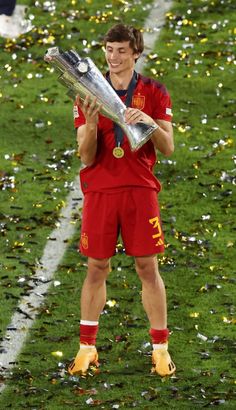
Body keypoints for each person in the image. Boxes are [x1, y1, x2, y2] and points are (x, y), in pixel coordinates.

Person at [68, 23, 176, 377]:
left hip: (140, 190)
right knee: (96, 268)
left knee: (148, 268)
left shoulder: (155, 92)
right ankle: (87, 347)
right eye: (109, 50)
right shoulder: (88, 91)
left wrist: (147, 120)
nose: (113, 58)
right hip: (100, 190)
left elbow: (168, 147)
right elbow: (85, 156)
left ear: (135, 54)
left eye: (121, 52)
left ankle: (160, 348)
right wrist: (93, 118)